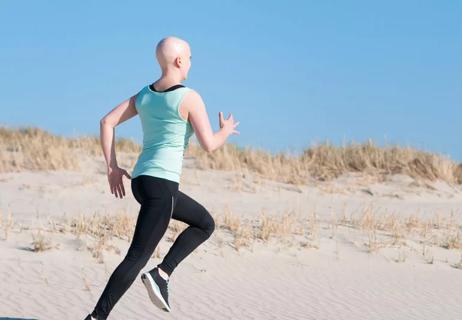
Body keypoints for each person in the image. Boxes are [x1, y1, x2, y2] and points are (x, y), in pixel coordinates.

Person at [84, 36, 240, 320]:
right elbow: (209, 145)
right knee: (136, 256)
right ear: (180, 61)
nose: (192, 62)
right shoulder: (190, 97)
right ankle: (97, 316)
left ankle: (162, 273)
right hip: (162, 184)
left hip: (142, 182)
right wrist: (226, 130)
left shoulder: (144, 94)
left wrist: (112, 168)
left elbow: (106, 122)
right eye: (190, 57)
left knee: (204, 223)